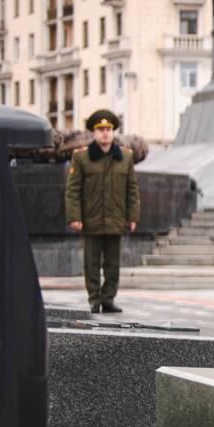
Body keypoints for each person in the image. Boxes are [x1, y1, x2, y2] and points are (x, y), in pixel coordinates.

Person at [64, 109, 139, 314]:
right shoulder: (82, 158)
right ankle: (94, 299)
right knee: (92, 263)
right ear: (94, 133)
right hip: (91, 219)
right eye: (101, 129)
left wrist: (133, 216)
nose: (105, 133)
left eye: (108, 129)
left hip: (116, 218)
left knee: (113, 264)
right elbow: (73, 190)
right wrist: (75, 217)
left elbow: (132, 189)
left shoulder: (125, 157)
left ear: (113, 131)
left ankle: (108, 299)